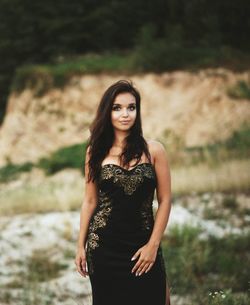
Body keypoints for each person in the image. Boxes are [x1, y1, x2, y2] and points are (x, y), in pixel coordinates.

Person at [75, 79, 172, 305]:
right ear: (107, 112)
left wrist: (153, 245)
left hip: (143, 245)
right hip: (104, 248)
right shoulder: (95, 152)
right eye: (117, 108)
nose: (125, 114)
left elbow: (165, 200)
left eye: (131, 107)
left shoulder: (154, 150)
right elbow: (89, 201)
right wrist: (80, 245)